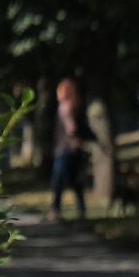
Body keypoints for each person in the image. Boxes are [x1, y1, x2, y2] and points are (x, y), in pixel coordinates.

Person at [49, 79, 88, 223]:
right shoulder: (71, 106)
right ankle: (82, 209)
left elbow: (71, 128)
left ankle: (56, 210)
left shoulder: (65, 107)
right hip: (71, 149)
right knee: (74, 181)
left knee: (58, 181)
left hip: (65, 150)